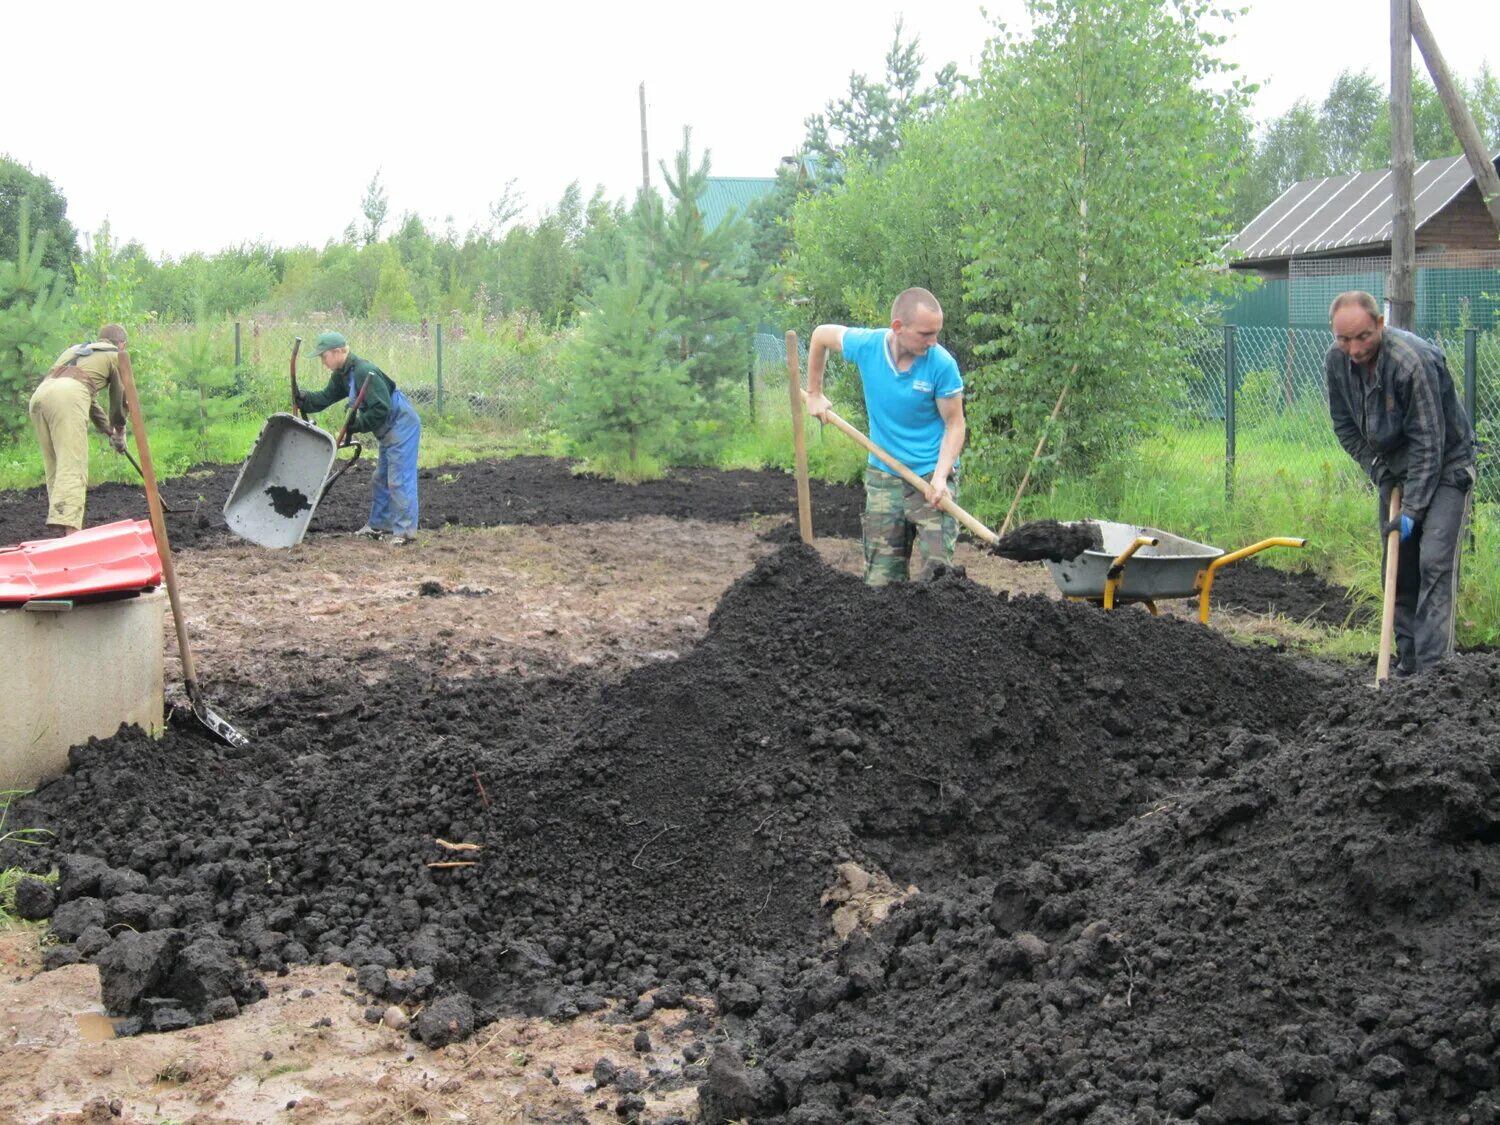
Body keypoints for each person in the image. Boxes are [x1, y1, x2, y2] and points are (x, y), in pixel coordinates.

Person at [1325, 290, 1476, 676]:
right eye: (1344, 339)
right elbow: (1344, 426)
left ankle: (1434, 675)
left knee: (1433, 563)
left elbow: (1430, 442)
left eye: (1362, 337)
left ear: (1379, 324)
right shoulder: (1337, 363)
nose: (1354, 349)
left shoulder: (1412, 362)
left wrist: (1413, 511)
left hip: (1446, 467)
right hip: (1393, 471)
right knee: (1398, 569)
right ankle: (1409, 669)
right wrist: (1377, 469)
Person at [805, 287, 967, 585]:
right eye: (925, 334)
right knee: (880, 584)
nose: (933, 342)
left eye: (936, 333)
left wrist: (941, 477)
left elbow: (955, 425)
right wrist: (814, 393)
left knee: (939, 578)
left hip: (931, 478)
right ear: (898, 327)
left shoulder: (941, 364)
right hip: (884, 477)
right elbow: (820, 335)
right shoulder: (867, 346)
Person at [298, 331, 421, 546]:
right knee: (380, 478)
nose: (322, 361)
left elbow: (381, 408)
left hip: (401, 425)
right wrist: (306, 400)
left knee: (398, 479)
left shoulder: (365, 371)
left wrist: (357, 425)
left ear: (338, 352)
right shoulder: (343, 374)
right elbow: (327, 397)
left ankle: (405, 533)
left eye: (323, 356)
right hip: (387, 430)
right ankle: (379, 526)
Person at [29, 324, 130, 535]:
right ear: (122, 344)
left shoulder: (76, 351)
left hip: (40, 396)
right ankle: (72, 534)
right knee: (73, 465)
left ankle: (61, 523)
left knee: (55, 464)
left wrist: (107, 431)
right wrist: (120, 432)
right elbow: (119, 400)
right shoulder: (116, 355)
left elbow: (85, 398)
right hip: (67, 397)